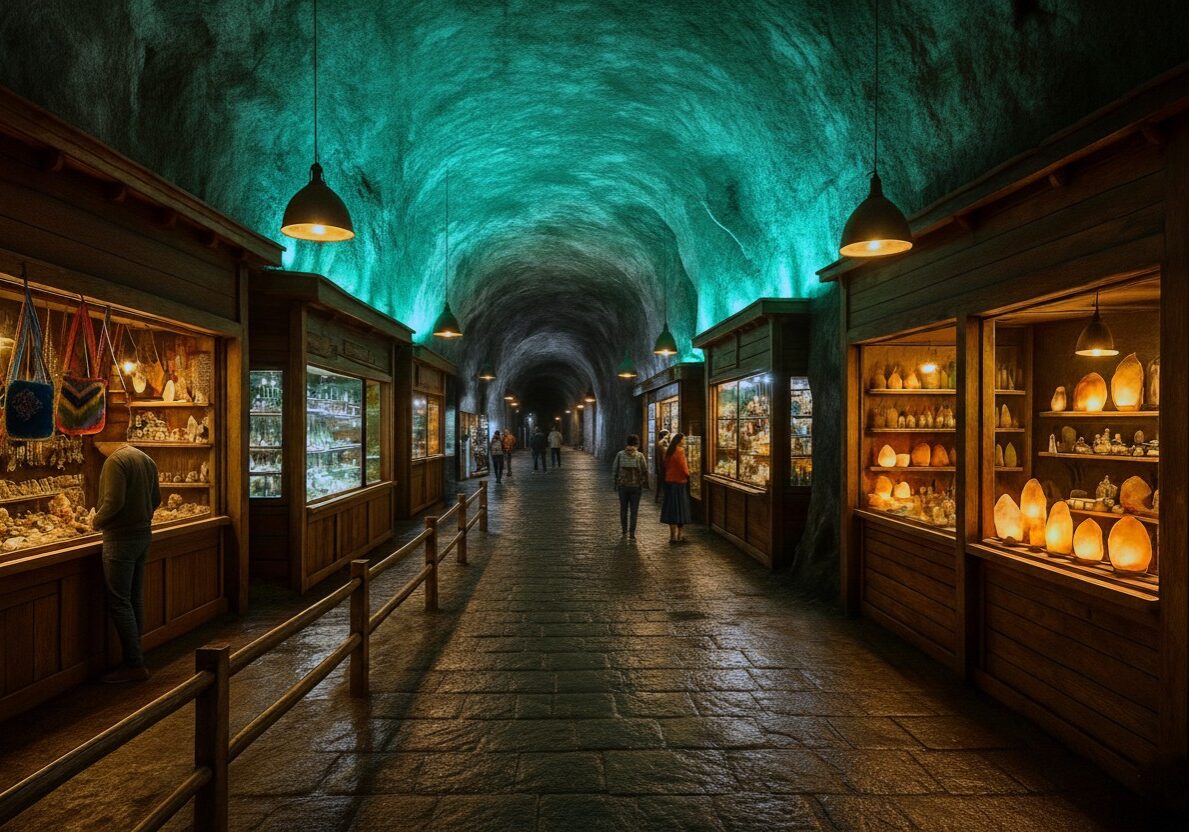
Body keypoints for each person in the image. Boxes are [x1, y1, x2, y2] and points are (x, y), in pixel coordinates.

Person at [92, 444, 161, 683]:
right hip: (143, 535)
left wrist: (95, 521)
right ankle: (136, 656)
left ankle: (133, 664)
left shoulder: (115, 461)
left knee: (120, 601)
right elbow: (156, 499)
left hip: (119, 538)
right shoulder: (144, 458)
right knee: (133, 598)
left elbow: (113, 502)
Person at [612, 434, 649, 539]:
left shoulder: (620, 454)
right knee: (634, 510)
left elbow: (615, 469)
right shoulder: (640, 455)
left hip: (623, 486)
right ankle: (632, 532)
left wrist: (614, 483)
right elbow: (644, 470)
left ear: (627, 443)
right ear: (637, 443)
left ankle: (624, 530)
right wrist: (643, 482)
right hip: (636, 486)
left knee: (623, 509)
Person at [661, 432, 692, 544]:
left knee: (671, 510)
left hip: (669, 483)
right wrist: (689, 474)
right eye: (683, 440)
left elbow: (665, 465)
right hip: (679, 483)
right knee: (680, 510)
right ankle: (680, 535)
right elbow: (683, 467)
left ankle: (672, 536)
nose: (684, 442)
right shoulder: (680, 451)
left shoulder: (668, 451)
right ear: (679, 440)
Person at [654, 429, 670, 504]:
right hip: (663, 467)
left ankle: (657, 497)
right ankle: (664, 498)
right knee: (664, 484)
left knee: (659, 484)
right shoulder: (663, 444)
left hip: (660, 467)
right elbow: (664, 457)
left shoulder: (658, 444)